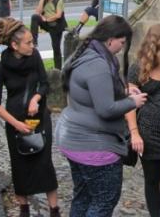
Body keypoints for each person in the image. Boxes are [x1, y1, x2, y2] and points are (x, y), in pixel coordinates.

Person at [55, 15, 147, 217]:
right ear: (110, 39)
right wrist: (133, 102)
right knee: (104, 200)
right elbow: (105, 109)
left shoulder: (86, 54)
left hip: (73, 139)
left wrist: (124, 93)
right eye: (122, 43)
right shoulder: (98, 65)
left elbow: (95, 93)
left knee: (83, 196)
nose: (121, 48)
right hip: (93, 146)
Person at [0, 18, 60, 217]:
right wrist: (16, 124)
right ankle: (24, 209)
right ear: (15, 45)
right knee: (20, 165)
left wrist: (36, 98)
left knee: (45, 162)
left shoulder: (35, 56)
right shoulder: (2, 66)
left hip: (39, 119)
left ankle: (54, 209)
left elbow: (45, 84)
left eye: (33, 41)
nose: (33, 45)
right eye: (28, 42)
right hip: (15, 123)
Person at [126, 24, 160, 217]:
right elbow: (130, 103)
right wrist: (134, 133)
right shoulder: (138, 68)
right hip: (149, 134)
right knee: (152, 180)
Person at [30, 0, 67, 70]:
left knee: (56, 48)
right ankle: (34, 41)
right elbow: (37, 12)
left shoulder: (58, 0)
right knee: (34, 17)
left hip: (56, 25)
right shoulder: (44, 0)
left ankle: (58, 69)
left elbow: (58, 15)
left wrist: (46, 19)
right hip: (47, 24)